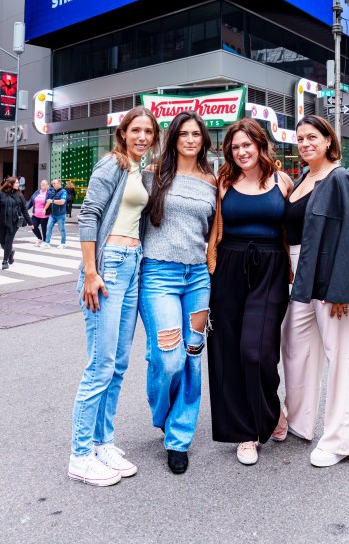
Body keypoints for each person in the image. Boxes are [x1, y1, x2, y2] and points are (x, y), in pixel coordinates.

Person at [280, 115, 349, 467]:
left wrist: (344, 288)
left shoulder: (341, 180)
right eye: (300, 138)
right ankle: (299, 421)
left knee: (341, 357)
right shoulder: (303, 179)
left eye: (312, 137)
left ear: (328, 141)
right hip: (298, 276)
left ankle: (340, 440)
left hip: (331, 277)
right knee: (295, 347)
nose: (305, 143)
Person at [68, 107, 160, 487]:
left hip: (133, 263)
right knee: (100, 365)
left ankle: (102, 441)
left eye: (148, 132)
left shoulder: (141, 171)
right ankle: (79, 454)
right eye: (135, 130)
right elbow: (89, 215)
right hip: (108, 269)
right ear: (123, 133)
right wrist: (91, 272)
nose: (142, 136)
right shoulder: (112, 165)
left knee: (119, 363)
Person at [207, 119, 293, 466]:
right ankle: (245, 433)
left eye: (247, 145)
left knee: (257, 351)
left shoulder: (282, 181)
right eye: (235, 146)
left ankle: (271, 410)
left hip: (270, 269)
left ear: (260, 145)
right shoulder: (224, 183)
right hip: (229, 267)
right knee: (229, 351)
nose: (241, 152)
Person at [139, 111, 217, 474]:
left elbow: (215, 233)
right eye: (183, 134)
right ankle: (163, 415)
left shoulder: (212, 180)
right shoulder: (153, 175)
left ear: (203, 140)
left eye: (196, 134)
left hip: (198, 278)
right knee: (168, 358)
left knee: (192, 355)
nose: (190, 139)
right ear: (174, 138)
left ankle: (178, 438)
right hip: (158, 275)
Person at [0, 176, 33, 269]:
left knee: (8, 241)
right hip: (2, 222)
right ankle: (10, 253)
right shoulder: (1, 194)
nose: (19, 184)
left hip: (14, 222)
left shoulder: (20, 195)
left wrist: (30, 223)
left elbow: (24, 210)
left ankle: (5, 261)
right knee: (2, 241)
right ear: (11, 184)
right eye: (17, 183)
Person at [43, 178, 67, 248]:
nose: (53, 185)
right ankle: (47, 243)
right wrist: (45, 209)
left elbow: (62, 201)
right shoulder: (52, 191)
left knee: (61, 229)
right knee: (49, 227)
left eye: (54, 183)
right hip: (52, 214)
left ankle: (63, 243)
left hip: (60, 214)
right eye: (52, 183)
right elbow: (48, 201)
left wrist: (52, 201)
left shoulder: (64, 191)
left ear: (59, 183)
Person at [26, 179, 51, 246]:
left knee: (44, 229)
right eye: (42, 183)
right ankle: (40, 238)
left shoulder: (49, 193)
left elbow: (50, 202)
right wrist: (26, 209)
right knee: (33, 226)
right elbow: (31, 201)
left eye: (44, 184)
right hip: (35, 214)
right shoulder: (37, 192)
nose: (43, 184)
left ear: (47, 186)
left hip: (44, 215)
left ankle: (45, 241)